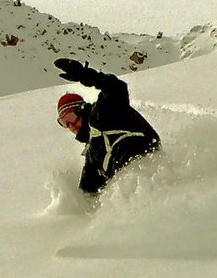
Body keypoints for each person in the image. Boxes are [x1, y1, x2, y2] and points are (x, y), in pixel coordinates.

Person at [54, 58, 161, 194]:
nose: (71, 126)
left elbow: (116, 88)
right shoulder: (92, 154)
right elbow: (88, 193)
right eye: (64, 123)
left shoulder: (103, 112)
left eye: (70, 118)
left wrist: (86, 75)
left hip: (149, 165)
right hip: (138, 189)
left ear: (81, 110)